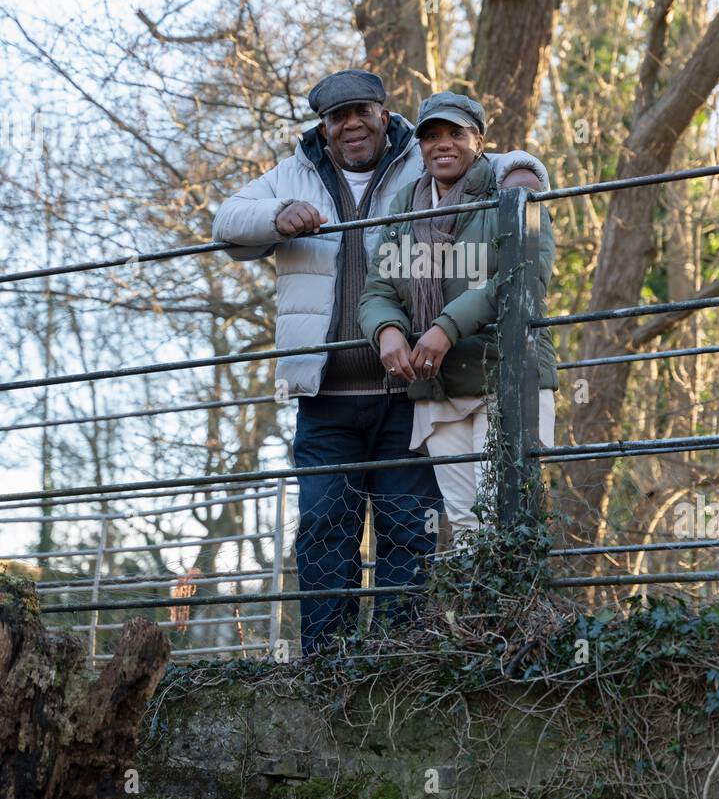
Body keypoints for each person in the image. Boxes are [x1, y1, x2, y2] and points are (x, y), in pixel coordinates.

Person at [212, 70, 548, 653]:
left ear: (382, 113)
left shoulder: (415, 162)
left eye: (361, 111)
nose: (351, 125)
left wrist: (524, 174)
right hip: (325, 396)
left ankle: (398, 658)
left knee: (407, 528)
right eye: (337, 117)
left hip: (407, 392)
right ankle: (327, 662)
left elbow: (482, 154)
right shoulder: (293, 174)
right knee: (323, 524)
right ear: (323, 126)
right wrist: (279, 216)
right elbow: (225, 221)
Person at [358, 91, 558, 545]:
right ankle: (479, 618)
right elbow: (379, 289)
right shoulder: (406, 207)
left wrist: (445, 328)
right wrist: (387, 331)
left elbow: (522, 276)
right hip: (437, 387)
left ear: (479, 140)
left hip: (505, 376)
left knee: (509, 516)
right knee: (466, 525)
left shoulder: (511, 191)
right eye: (431, 136)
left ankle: (520, 615)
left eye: (455, 133)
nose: (442, 144)